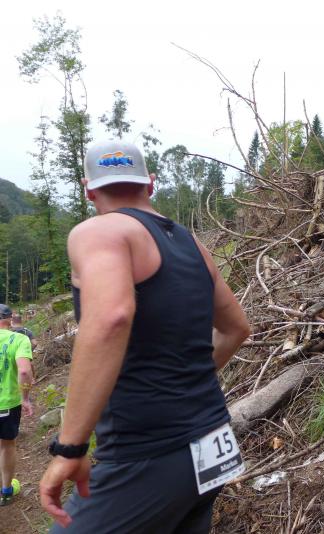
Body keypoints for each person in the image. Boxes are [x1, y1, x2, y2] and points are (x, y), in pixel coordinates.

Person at [39, 140, 251, 531]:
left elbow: (111, 317)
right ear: (150, 184)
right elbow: (237, 328)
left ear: (89, 190)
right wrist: (183, 384)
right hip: (214, 441)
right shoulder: (192, 244)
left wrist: (69, 447)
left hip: (147, 454)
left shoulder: (99, 232)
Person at [0, 304, 33, 507]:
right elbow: (24, 371)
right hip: (7, 405)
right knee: (6, 445)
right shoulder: (20, 339)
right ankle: (6, 491)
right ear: (10, 320)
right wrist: (25, 398)